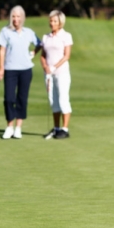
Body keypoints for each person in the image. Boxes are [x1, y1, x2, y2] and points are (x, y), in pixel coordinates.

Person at [0, 5, 41, 139]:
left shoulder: (29, 32)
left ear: (23, 17)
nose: (15, 19)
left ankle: (18, 128)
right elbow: (2, 51)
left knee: (22, 98)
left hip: (26, 69)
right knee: (9, 99)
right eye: (13, 16)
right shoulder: (5, 31)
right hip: (10, 69)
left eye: (18, 16)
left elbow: (39, 44)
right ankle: (9, 126)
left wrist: (33, 52)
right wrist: (0, 68)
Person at [40, 10, 73, 139]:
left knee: (63, 99)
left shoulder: (66, 36)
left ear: (60, 23)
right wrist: (45, 67)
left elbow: (67, 56)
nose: (52, 23)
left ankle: (65, 129)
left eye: (55, 21)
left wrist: (54, 67)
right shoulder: (46, 37)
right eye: (51, 21)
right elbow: (43, 55)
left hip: (62, 73)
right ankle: (56, 128)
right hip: (48, 74)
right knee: (53, 101)